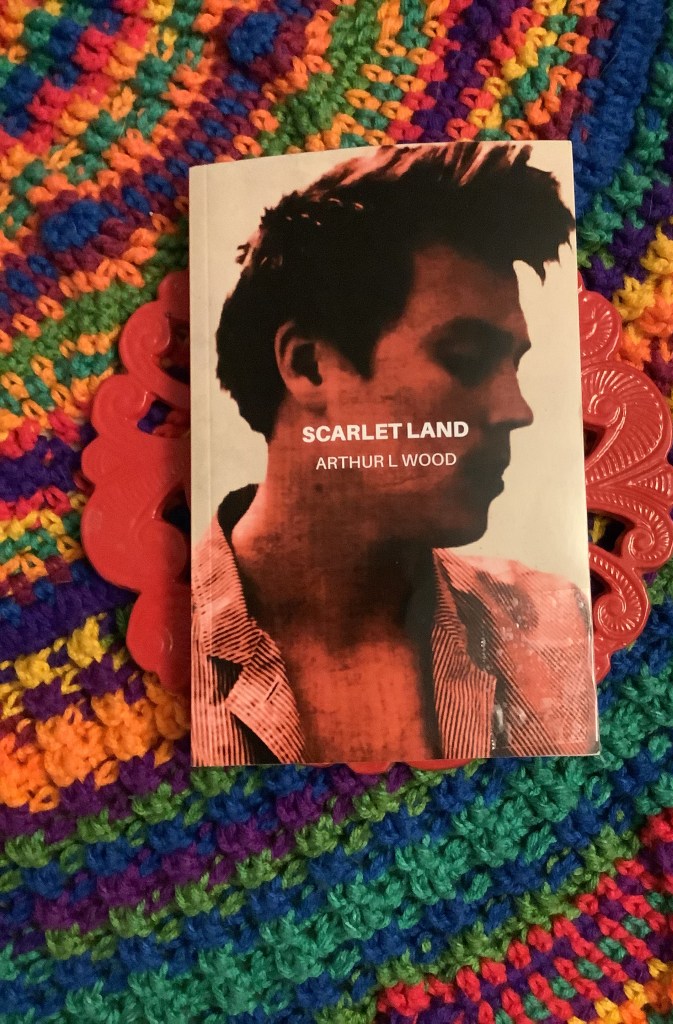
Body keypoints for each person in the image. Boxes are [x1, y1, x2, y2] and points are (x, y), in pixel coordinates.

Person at [191, 142, 597, 766]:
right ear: (309, 365)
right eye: (466, 359)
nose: (517, 410)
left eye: (513, 366)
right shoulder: (170, 636)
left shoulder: (552, 624)